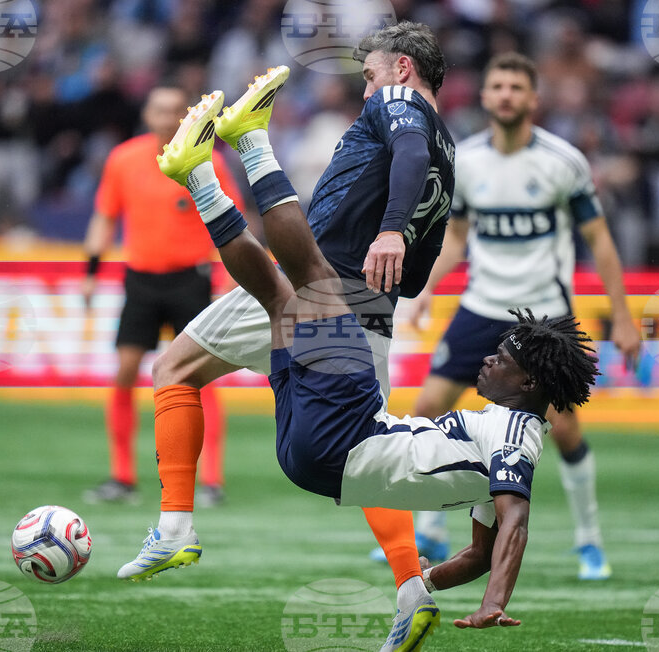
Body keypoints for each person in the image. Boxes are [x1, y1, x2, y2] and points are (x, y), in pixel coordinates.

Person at [145, 89, 599, 647]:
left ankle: (242, 147)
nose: (488, 358)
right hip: (314, 463)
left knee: (311, 275)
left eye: (502, 359)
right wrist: (423, 583)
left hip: (347, 433)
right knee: (279, 299)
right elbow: (481, 552)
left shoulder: (512, 436)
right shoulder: (500, 438)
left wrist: (494, 604)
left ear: (528, 384)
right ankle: (201, 174)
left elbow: (516, 523)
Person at [117, 21, 456, 624]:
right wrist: (391, 271)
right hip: (372, 301)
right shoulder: (448, 147)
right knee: (364, 451)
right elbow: (422, 259)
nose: (366, 91)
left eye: (372, 74)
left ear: (402, 69)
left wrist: (387, 229)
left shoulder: (400, 106)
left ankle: (174, 527)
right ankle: (411, 590)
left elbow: (403, 159)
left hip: (324, 282)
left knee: (173, 368)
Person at [379, 52, 640, 580]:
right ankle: (429, 526)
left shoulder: (563, 161)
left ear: (532, 99)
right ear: (485, 96)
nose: (505, 95)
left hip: (543, 317)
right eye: (497, 85)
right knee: (427, 408)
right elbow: (457, 236)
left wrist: (624, 316)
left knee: (564, 428)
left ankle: (589, 541)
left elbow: (600, 241)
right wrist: (428, 287)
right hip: (481, 306)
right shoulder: (467, 160)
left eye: (516, 87)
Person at [80, 85, 240, 506]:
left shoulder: (207, 159)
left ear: (184, 115)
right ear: (147, 116)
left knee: (200, 380)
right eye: (160, 110)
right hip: (142, 281)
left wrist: (226, 278)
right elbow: (105, 217)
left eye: (175, 110)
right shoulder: (124, 159)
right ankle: (122, 476)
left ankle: (211, 480)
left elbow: (232, 224)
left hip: (191, 280)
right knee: (125, 373)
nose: (168, 118)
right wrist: (91, 272)